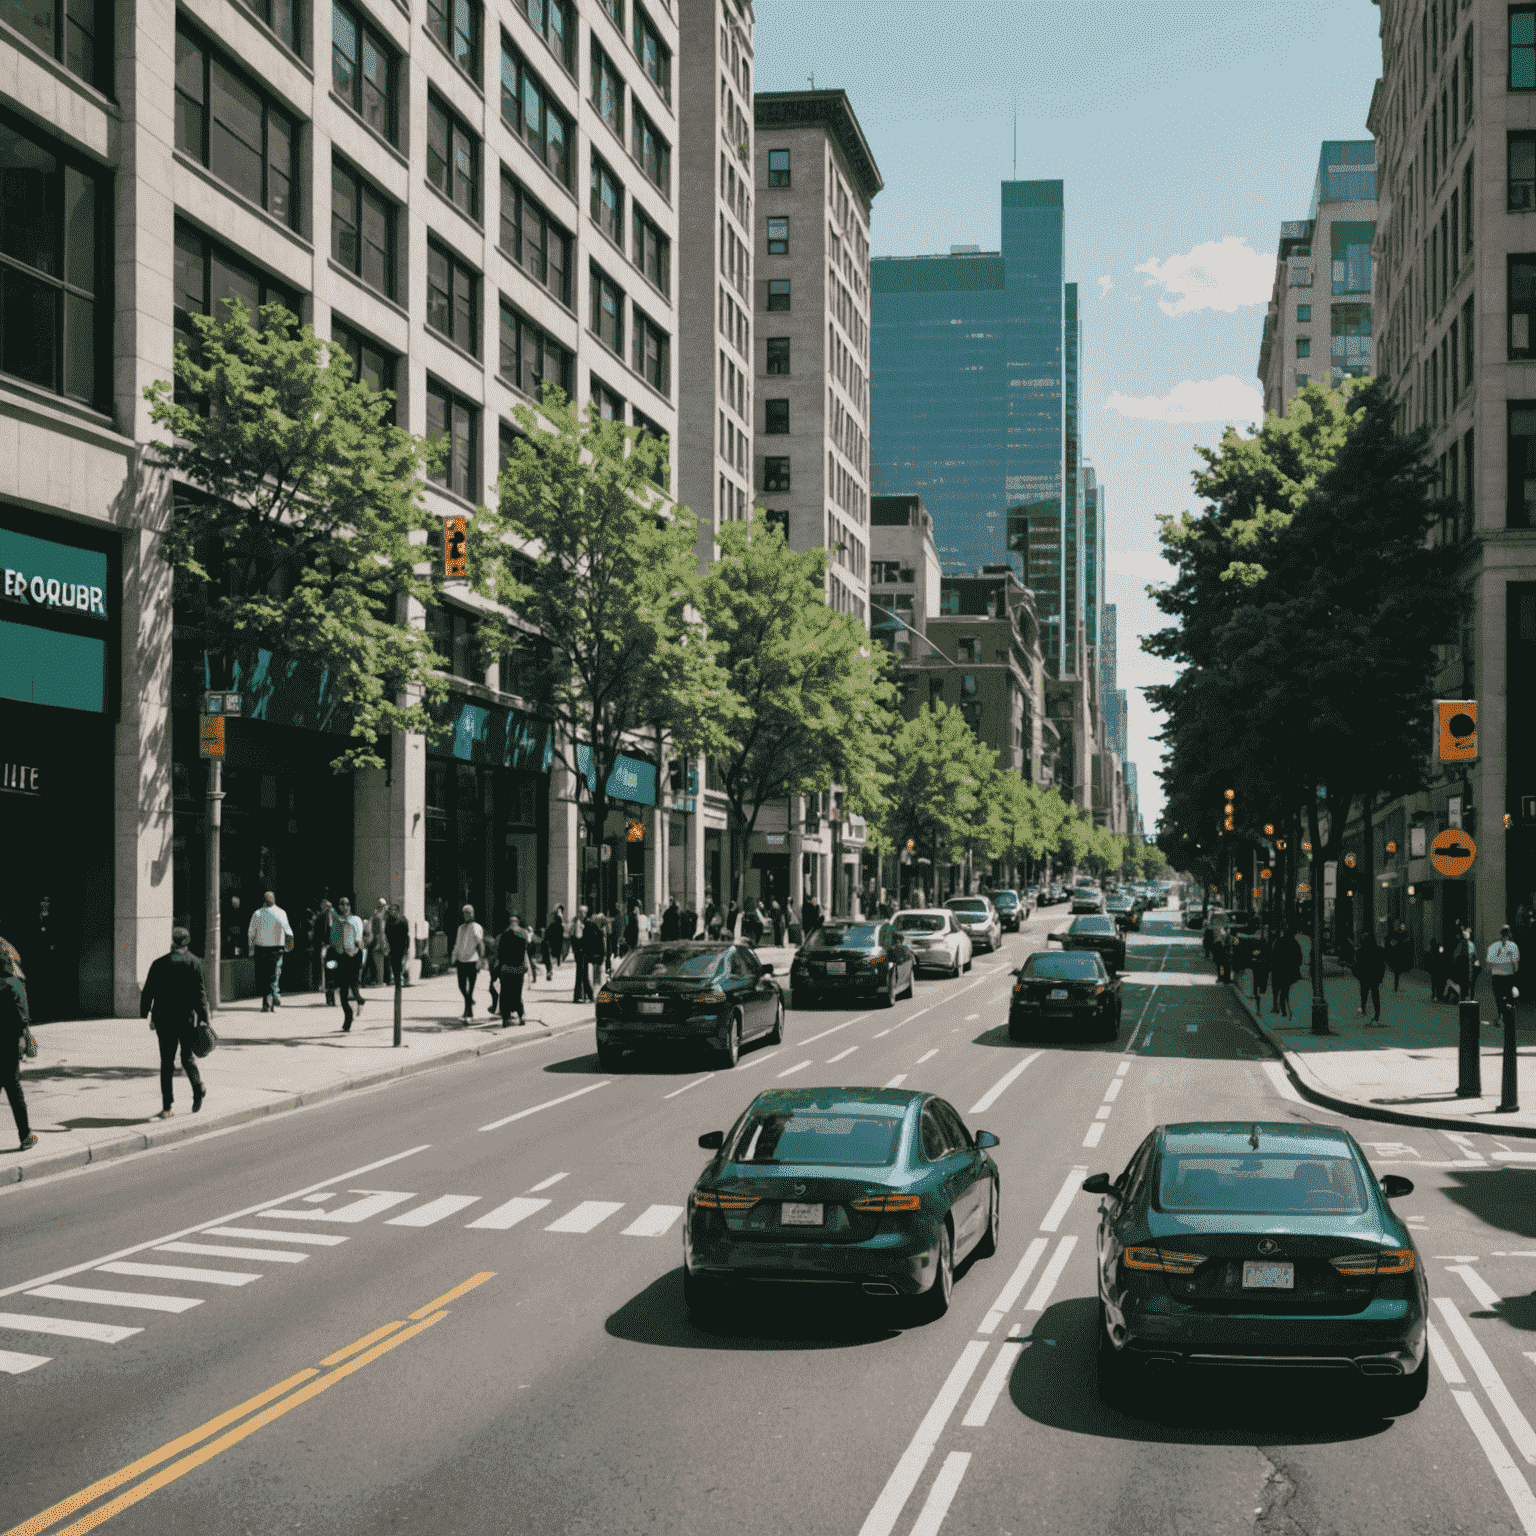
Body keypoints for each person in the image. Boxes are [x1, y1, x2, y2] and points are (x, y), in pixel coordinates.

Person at [139, 927, 208, 1119]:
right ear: (187, 944)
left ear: (173, 942)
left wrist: (146, 1015)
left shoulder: (159, 963)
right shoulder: (194, 963)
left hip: (164, 1020)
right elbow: (200, 995)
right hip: (186, 1020)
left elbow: (148, 992)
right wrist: (204, 1019)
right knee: (187, 1058)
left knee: (167, 1063)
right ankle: (197, 1088)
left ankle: (167, 1107)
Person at [0, 940, 36, 1150]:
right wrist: (23, 1037)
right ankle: (25, 1136)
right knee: (14, 1089)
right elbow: (22, 1018)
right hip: (8, 1044)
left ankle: (26, 1136)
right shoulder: (15, 984)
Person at [247, 891, 292, 1012]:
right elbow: (288, 931)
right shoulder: (281, 912)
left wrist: (251, 949)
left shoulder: (257, 913)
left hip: (261, 949)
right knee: (274, 973)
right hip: (277, 948)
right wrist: (290, 946)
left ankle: (267, 1003)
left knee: (264, 976)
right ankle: (273, 996)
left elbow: (251, 934)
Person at [332, 898, 367, 1030]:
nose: (345, 907)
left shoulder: (356, 920)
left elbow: (360, 939)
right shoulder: (337, 922)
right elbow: (334, 941)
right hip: (342, 956)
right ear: (339, 907)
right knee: (342, 990)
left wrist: (361, 954)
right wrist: (339, 951)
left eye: (347, 904)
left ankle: (360, 1000)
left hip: (354, 955)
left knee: (353, 984)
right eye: (342, 904)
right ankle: (348, 1017)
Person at [496, 913, 531, 1027]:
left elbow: (500, 953)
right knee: (513, 994)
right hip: (512, 969)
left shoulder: (507, 935)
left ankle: (510, 1018)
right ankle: (516, 1017)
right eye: (512, 921)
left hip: (511, 969)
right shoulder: (520, 935)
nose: (513, 923)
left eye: (514, 921)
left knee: (510, 994)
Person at [452, 904, 486, 1019]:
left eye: (470, 912)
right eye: (466, 912)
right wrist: (454, 956)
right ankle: (469, 1001)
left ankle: (469, 1011)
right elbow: (457, 943)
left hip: (472, 960)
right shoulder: (460, 928)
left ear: (473, 913)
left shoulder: (477, 927)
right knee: (461, 985)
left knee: (470, 988)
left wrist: (481, 959)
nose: (468, 914)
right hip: (461, 960)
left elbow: (481, 944)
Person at [1488, 924, 1522, 1018]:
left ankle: (1500, 1015)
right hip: (1508, 975)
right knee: (1508, 996)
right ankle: (1508, 1016)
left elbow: (1489, 963)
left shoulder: (1493, 946)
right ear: (1509, 933)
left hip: (1496, 975)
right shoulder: (1513, 946)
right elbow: (1516, 964)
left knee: (1498, 997)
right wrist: (1515, 973)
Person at [1354, 931, 1387, 1025]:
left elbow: (1357, 965)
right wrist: (1380, 976)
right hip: (1374, 977)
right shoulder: (1379, 950)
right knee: (1375, 995)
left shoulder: (1360, 951)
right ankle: (1376, 1014)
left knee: (1364, 994)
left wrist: (1359, 975)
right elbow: (1382, 964)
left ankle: (1363, 1008)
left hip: (1365, 977)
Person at [1270, 929, 1302, 1018]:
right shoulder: (1294, 943)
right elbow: (1299, 958)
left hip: (1278, 970)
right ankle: (1283, 1010)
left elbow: (1274, 955)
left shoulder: (1279, 941)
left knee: (1276, 990)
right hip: (1288, 972)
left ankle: (1277, 1008)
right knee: (1284, 992)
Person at [572, 906, 601, 1003]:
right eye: (579, 911)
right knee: (582, 974)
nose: (580, 914)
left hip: (585, 951)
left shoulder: (589, 923)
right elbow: (574, 936)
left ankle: (581, 996)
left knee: (581, 974)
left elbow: (596, 936)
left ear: (586, 913)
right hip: (578, 952)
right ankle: (586, 995)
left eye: (582, 912)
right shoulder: (576, 922)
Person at [311, 899, 335, 1001]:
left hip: (330, 946)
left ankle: (327, 988)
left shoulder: (333, 917)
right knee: (323, 967)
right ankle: (322, 985)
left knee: (329, 968)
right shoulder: (321, 917)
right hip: (323, 946)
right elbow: (317, 933)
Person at [383, 902, 411, 988]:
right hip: (393, 949)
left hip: (401, 948)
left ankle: (403, 981)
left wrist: (406, 949)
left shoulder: (403, 920)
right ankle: (398, 984)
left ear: (398, 911)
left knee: (401, 967)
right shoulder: (388, 921)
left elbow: (406, 936)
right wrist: (386, 946)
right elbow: (386, 935)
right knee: (396, 972)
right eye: (391, 909)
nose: (392, 911)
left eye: (394, 909)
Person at [366, 898, 389, 985]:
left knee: (380, 962)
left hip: (379, 942)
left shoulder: (381, 917)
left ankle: (381, 980)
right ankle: (379, 981)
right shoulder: (378, 917)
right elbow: (378, 932)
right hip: (378, 942)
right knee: (379, 963)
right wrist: (382, 944)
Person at [1387, 924, 1413, 992]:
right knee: (1396, 973)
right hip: (1397, 956)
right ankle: (1396, 986)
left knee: (1397, 973)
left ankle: (1396, 986)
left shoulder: (1404, 934)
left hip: (1399, 956)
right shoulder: (1397, 934)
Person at [543, 908, 565, 981]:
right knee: (551, 958)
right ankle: (550, 970)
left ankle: (549, 971)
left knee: (549, 959)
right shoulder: (560, 926)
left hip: (552, 944)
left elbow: (547, 934)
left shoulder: (553, 925)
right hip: (555, 944)